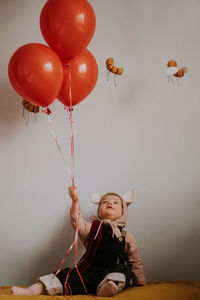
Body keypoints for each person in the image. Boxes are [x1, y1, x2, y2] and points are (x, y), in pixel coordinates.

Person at [12, 187, 146, 297]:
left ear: (123, 211)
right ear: (99, 210)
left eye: (115, 202)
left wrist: (141, 284)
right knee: (64, 275)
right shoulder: (90, 229)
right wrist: (75, 201)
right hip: (89, 273)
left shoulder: (127, 237)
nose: (110, 203)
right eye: (105, 202)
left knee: (123, 273)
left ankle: (107, 288)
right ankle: (33, 290)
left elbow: (135, 262)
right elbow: (76, 220)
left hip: (112, 273)